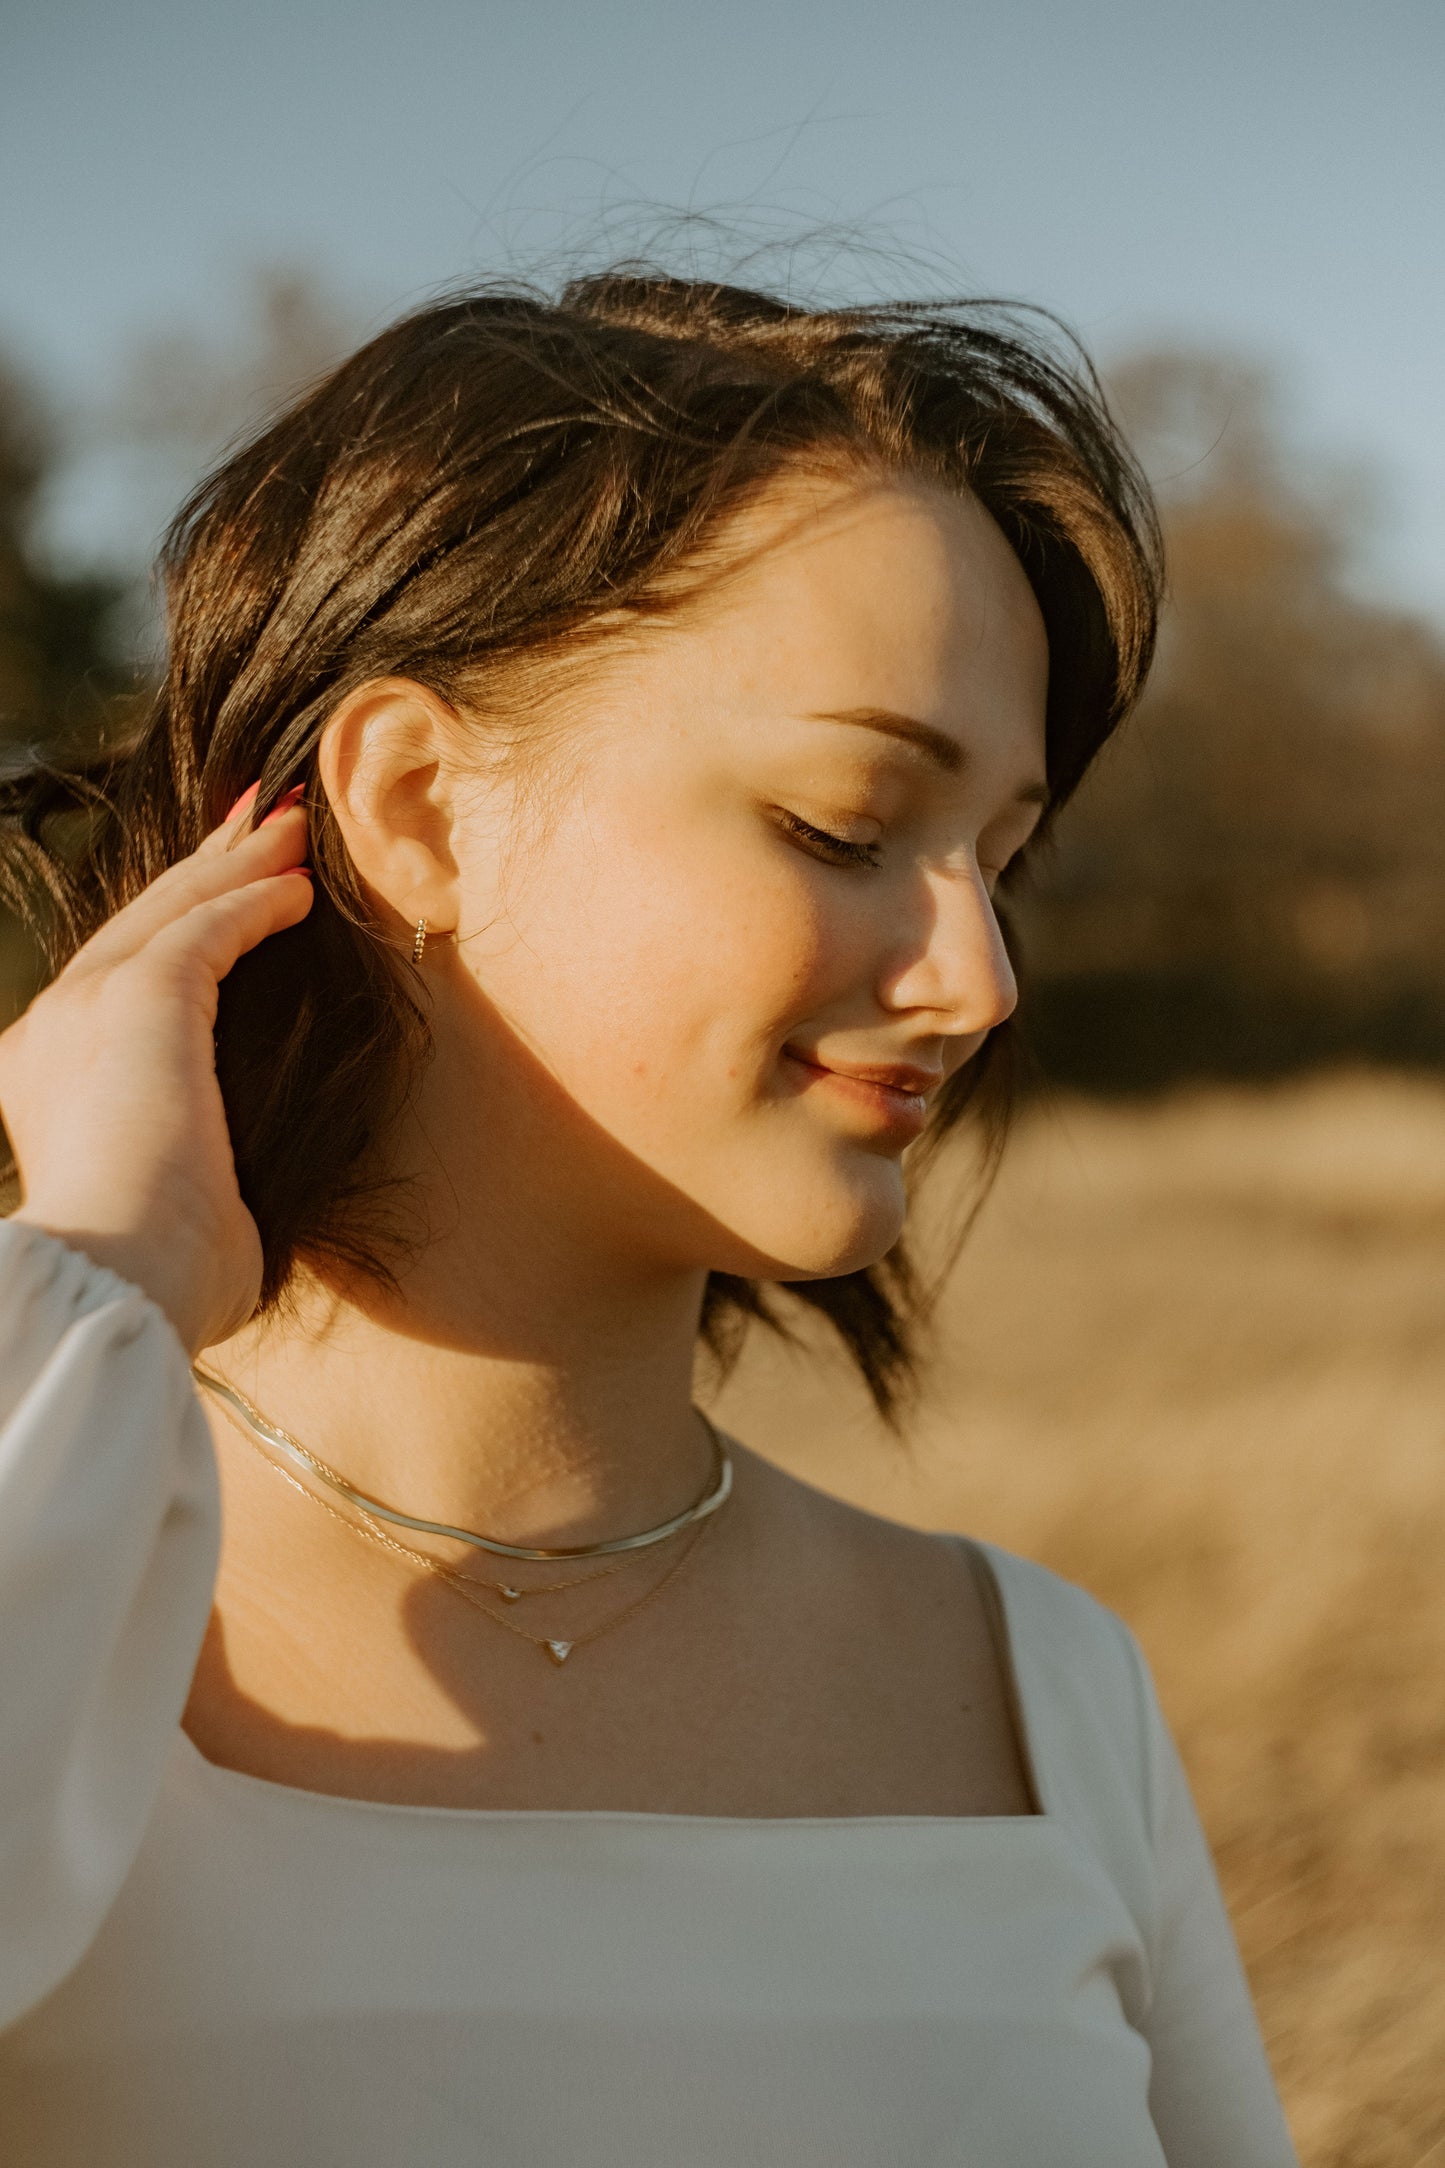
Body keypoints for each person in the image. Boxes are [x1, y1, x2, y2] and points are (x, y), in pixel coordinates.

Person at [0, 271, 1297, 2166]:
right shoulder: (47, 1565)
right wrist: (101, 1278)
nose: (979, 978)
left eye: (1000, 864)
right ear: (420, 805)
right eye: (847, 824)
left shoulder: (1049, 1695)